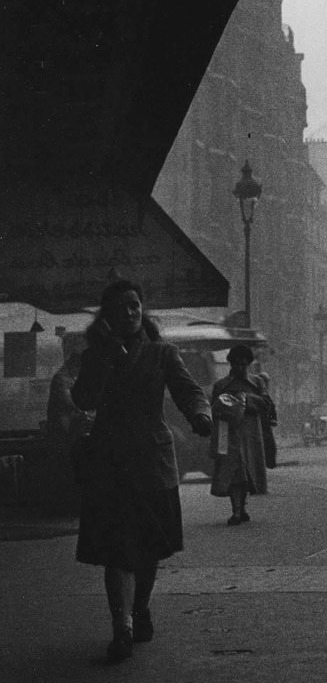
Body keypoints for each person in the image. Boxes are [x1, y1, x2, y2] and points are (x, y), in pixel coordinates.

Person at [71, 279, 212, 663]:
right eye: (121, 307)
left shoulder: (163, 353)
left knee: (147, 550)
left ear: (142, 309)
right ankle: (123, 630)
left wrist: (200, 415)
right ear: (107, 316)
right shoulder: (94, 355)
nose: (130, 312)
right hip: (110, 464)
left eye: (135, 305)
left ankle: (140, 608)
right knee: (118, 551)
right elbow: (83, 398)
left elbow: (188, 390)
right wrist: (103, 354)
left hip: (153, 463)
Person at [210, 344, 270, 524]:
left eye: (244, 364)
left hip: (251, 434)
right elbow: (213, 408)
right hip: (229, 434)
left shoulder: (257, 383)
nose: (240, 368)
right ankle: (236, 511)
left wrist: (247, 400)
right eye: (236, 364)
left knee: (247, 472)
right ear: (231, 364)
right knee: (235, 472)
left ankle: (241, 508)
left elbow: (266, 404)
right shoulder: (221, 385)